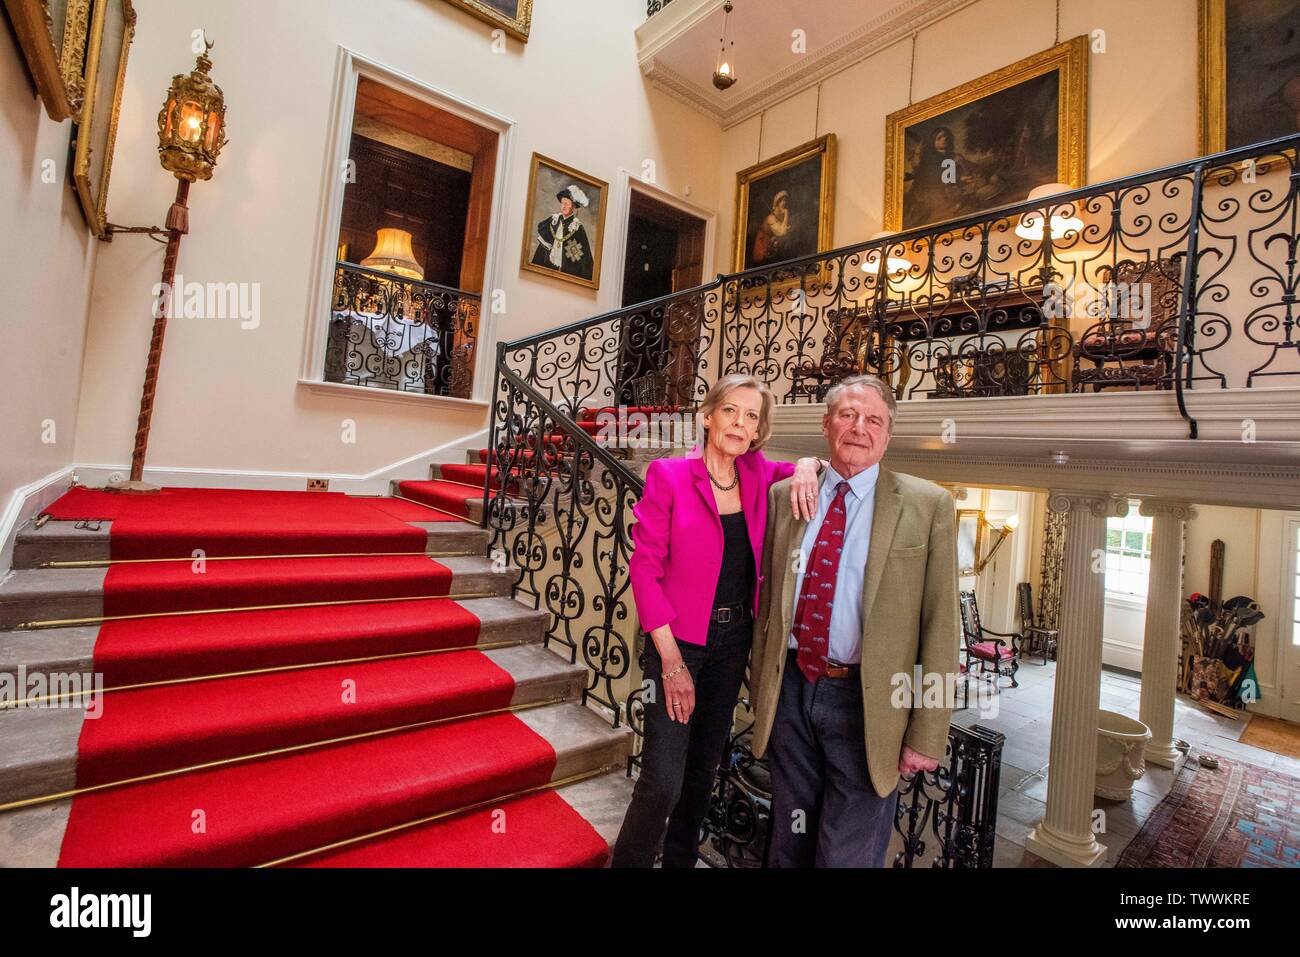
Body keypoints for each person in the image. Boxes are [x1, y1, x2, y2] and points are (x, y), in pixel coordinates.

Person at [611, 374, 824, 867]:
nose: (740, 423)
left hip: (733, 643)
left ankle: (680, 860)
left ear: (758, 431)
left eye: (752, 417)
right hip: (677, 643)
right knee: (663, 778)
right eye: (731, 410)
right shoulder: (669, 475)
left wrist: (811, 464)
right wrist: (670, 662)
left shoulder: (756, 475)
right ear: (708, 416)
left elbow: (805, 467)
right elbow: (644, 571)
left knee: (702, 772)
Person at [750, 373, 960, 867]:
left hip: (869, 704)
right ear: (827, 426)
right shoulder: (788, 497)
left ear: (888, 434)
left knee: (846, 853)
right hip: (791, 692)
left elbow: (942, 629)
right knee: (789, 840)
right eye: (847, 415)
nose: (858, 427)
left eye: (873, 419)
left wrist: (928, 733)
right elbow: (766, 599)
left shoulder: (928, 506)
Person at [531, 184, 595, 280]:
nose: (563, 206)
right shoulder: (553, 221)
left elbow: (584, 258)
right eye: (562, 203)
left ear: (573, 207)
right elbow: (542, 250)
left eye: (567, 204)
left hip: (567, 272)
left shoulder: (577, 227)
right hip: (548, 269)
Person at [750, 190, 791, 265]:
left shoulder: (779, 216)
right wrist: (786, 213)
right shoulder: (771, 218)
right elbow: (781, 232)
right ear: (777, 203)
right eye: (782, 201)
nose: (784, 203)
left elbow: (783, 230)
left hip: (772, 244)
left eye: (785, 201)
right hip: (763, 245)